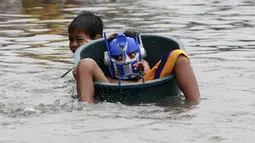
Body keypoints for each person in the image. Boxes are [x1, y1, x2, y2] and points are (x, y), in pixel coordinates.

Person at [75, 31, 200, 104]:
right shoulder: (106, 78)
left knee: (178, 56)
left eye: (132, 55)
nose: (126, 61)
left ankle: (194, 105)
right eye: (118, 57)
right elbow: (81, 70)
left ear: (141, 53)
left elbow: (177, 61)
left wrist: (148, 73)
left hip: (153, 96)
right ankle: (86, 111)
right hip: (115, 98)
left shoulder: (151, 72)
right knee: (85, 63)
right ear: (108, 59)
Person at [68, 10, 104, 78]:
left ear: (97, 39)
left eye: (79, 39)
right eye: (71, 39)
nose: (73, 44)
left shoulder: (107, 60)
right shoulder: (79, 63)